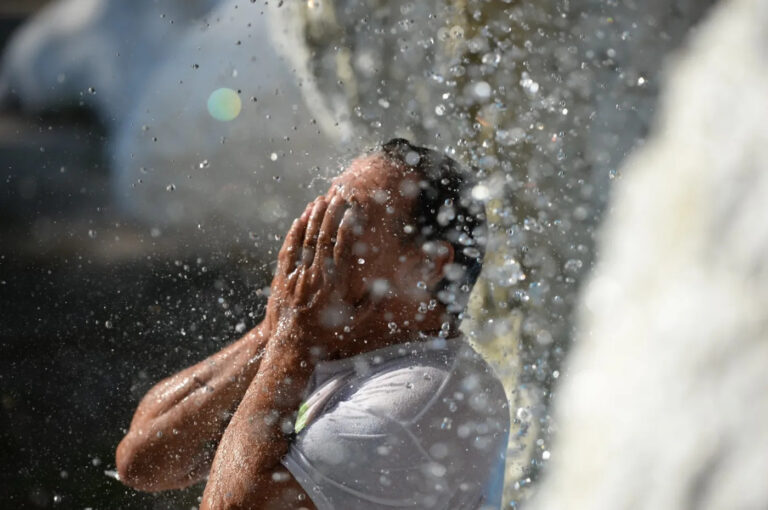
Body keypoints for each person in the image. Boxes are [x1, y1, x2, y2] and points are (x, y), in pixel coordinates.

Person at [115, 139, 510, 509]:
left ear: (428, 264)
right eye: (323, 206)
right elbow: (143, 462)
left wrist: (291, 342)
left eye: (346, 214)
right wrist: (275, 331)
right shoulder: (334, 345)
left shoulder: (418, 399)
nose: (314, 228)